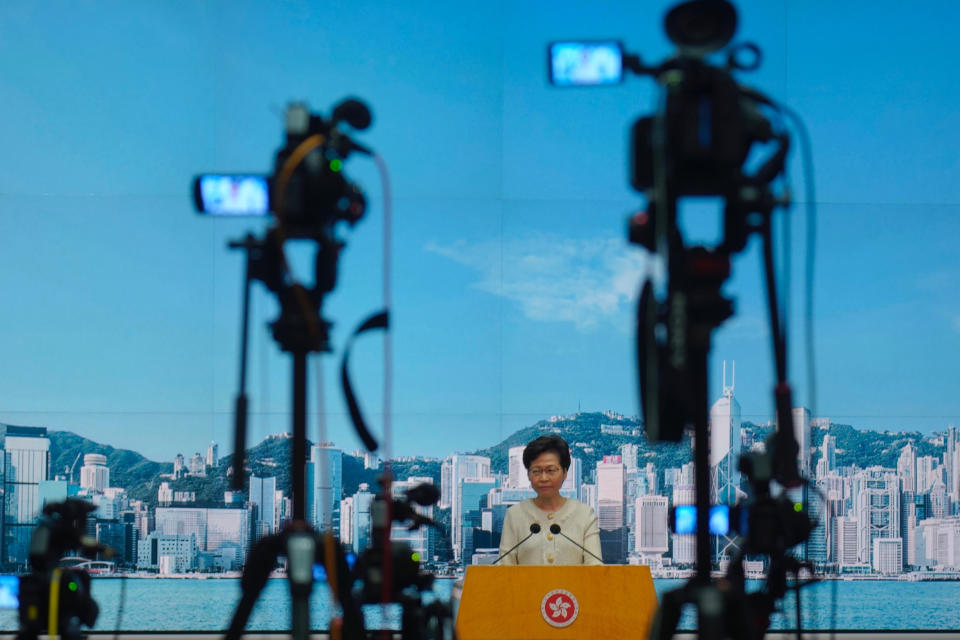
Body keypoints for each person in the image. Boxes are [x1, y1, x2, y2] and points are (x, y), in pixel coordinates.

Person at [496, 435, 603, 565]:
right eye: (536, 471)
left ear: (564, 473)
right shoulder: (514, 515)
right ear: (528, 475)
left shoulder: (585, 515)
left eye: (551, 470)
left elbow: (595, 568)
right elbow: (504, 570)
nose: (544, 478)